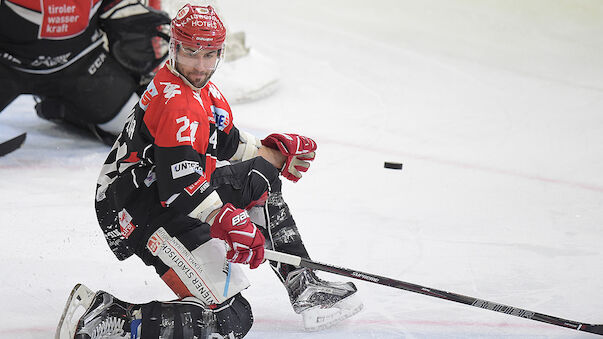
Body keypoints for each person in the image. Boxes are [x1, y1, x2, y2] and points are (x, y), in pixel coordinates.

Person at [56, 4, 363, 339]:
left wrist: (274, 155)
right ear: (174, 47)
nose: (199, 66)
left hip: (161, 194)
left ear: (220, 52)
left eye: (209, 55)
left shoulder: (202, 91)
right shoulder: (177, 105)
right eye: (190, 52)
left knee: (261, 175)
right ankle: (105, 317)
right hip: (138, 209)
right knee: (231, 318)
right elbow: (179, 187)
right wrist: (223, 217)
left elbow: (226, 140)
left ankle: (301, 282)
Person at [0, 0, 170, 145]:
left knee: (143, 127)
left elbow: (123, 10)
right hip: (8, 67)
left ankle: (63, 110)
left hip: (81, 65)